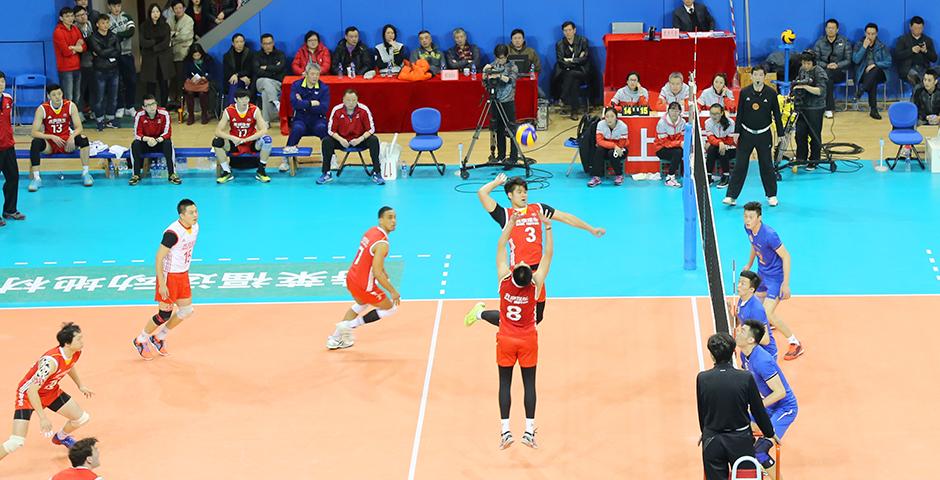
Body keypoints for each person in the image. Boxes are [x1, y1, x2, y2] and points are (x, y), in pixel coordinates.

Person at [468, 174, 605, 327]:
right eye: (519, 192)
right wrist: (496, 182)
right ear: (510, 195)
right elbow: (482, 193)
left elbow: (566, 217)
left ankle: (485, 316)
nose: (524, 194)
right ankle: (480, 314)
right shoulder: (504, 215)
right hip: (518, 273)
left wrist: (590, 229)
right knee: (513, 317)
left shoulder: (538, 209)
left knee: (537, 318)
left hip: (538, 273)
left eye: (525, 191)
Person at [468, 210, 553, 450]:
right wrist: (548, 228)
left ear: (515, 272)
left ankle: (505, 431)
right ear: (530, 277)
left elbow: (501, 245)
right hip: (527, 340)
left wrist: (510, 225)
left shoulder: (503, 279)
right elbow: (548, 255)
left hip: (505, 338)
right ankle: (528, 431)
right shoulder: (535, 287)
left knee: (504, 384)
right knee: (529, 385)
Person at [0, 323, 94, 463]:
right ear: (67, 344)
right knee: (16, 441)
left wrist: (80, 385)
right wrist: (43, 418)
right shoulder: (51, 362)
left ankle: (61, 437)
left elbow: (69, 366)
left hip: (50, 391)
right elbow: (32, 389)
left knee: (82, 418)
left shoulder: (75, 352)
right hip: (27, 395)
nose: (82, 342)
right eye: (79, 339)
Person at [696, 332, 777, 480]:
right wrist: (769, 433)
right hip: (740, 440)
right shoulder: (745, 377)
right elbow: (758, 410)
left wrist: (705, 433)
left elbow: (702, 411)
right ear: (733, 352)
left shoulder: (702, 378)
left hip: (713, 440)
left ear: (711, 354)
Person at [133, 199, 199, 359]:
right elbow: (159, 257)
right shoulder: (172, 233)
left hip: (183, 274)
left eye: (196, 211)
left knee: (187, 310)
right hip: (169, 277)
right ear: (181, 215)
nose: (195, 215)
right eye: (191, 212)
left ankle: (159, 337)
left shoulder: (195, 227)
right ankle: (141, 339)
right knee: (164, 315)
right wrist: (162, 284)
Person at [327, 206, 400, 349]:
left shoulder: (371, 231)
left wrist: (382, 269)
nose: (394, 221)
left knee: (361, 304)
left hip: (352, 277)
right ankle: (348, 325)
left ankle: (334, 339)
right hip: (363, 283)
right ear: (381, 220)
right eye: (389, 217)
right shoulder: (383, 244)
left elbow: (369, 255)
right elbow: (377, 273)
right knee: (390, 309)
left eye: (395, 217)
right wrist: (392, 291)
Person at [742, 201, 802, 360]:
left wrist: (786, 284)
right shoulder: (748, 229)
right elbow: (754, 246)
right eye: (745, 216)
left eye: (751, 217)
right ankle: (769, 324)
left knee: (767, 313)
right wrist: (749, 264)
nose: (747, 220)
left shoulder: (769, 234)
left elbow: (786, 256)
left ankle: (794, 342)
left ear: (759, 218)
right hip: (762, 274)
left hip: (775, 279)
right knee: (757, 306)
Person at [736, 320, 798, 476]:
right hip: (769, 406)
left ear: (751, 340)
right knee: (737, 424)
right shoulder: (745, 355)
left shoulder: (763, 361)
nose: (737, 331)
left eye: (742, 331)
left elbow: (780, 392)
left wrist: (756, 406)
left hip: (784, 408)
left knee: (760, 452)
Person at [724, 65, 782, 207]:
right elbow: (740, 114)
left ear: (764, 77)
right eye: (755, 75)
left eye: (760, 75)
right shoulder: (744, 92)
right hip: (746, 134)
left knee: (767, 165)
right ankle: (731, 196)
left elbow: (777, 114)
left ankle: (772, 195)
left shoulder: (771, 93)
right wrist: (737, 132)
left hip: (764, 135)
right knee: (740, 165)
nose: (757, 78)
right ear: (751, 76)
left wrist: (781, 133)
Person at [28, 84, 92, 191]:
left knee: (83, 139)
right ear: (49, 96)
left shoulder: (70, 105)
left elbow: (79, 127)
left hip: (67, 143)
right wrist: (51, 136)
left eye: (59, 94)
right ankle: (36, 178)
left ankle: (86, 173)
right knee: (35, 143)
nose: (58, 97)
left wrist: (72, 137)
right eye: (54, 95)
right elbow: (34, 132)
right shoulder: (43, 108)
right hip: (50, 145)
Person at [317, 89, 382, 185]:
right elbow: (331, 130)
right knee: (326, 141)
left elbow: (371, 129)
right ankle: (326, 173)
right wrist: (341, 140)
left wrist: (360, 139)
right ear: (343, 100)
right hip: (342, 140)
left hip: (359, 140)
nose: (351, 103)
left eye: (354, 100)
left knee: (374, 140)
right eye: (348, 100)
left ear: (357, 100)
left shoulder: (364, 110)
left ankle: (377, 172)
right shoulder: (337, 110)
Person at [213, 89, 272, 183]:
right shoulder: (229, 110)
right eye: (242, 99)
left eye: (247, 98)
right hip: (235, 142)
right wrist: (233, 138)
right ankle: (227, 172)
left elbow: (264, 129)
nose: (245, 101)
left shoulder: (254, 109)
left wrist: (246, 139)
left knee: (267, 140)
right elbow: (218, 131)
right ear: (236, 100)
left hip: (251, 142)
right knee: (217, 142)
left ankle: (261, 171)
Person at [283, 63, 329, 168]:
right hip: (300, 118)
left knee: (322, 128)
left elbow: (323, 108)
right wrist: (311, 103)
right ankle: (286, 159)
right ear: (306, 74)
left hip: (318, 119)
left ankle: (330, 157)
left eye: (317, 74)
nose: (315, 77)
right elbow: (294, 103)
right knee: (297, 128)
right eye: (312, 74)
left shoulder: (324, 88)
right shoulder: (296, 85)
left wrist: (303, 104)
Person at [483, 44, 521, 170]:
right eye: (499, 58)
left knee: (511, 129)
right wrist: (485, 73)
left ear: (507, 56)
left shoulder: (513, 67)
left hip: (508, 101)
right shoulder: (491, 66)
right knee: (498, 129)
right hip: (496, 101)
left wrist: (499, 76)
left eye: (503, 58)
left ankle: (514, 157)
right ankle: (501, 155)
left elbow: (511, 80)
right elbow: (485, 84)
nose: (501, 61)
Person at [129, 94, 177, 186]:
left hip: (160, 142)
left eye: (153, 104)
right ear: (143, 107)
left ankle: (172, 174)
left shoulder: (164, 113)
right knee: (135, 144)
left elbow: (168, 132)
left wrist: (157, 140)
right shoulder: (139, 115)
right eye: (148, 105)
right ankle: (136, 175)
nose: (152, 107)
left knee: (168, 143)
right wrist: (148, 139)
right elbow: (137, 134)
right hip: (146, 142)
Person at [792, 50, 827, 171]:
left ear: (813, 63)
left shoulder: (819, 72)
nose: (805, 66)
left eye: (808, 63)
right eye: (803, 63)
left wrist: (806, 87)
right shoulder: (802, 70)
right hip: (802, 107)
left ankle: (814, 160)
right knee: (800, 134)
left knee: (814, 135)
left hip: (816, 108)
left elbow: (820, 91)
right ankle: (801, 158)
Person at [730, 270, 777, 359]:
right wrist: (729, 312)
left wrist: (742, 339)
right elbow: (736, 323)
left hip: (765, 355)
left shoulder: (756, 310)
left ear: (751, 289)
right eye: (739, 282)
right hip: (750, 349)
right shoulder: (742, 299)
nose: (738, 285)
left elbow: (766, 340)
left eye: (743, 284)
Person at [813, 18, 853, 118]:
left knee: (826, 77)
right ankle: (829, 108)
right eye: (828, 28)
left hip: (839, 72)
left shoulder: (844, 42)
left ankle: (825, 107)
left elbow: (848, 60)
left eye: (833, 28)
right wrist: (826, 65)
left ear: (837, 30)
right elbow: (815, 60)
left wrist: (837, 65)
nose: (830, 30)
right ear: (826, 29)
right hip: (825, 71)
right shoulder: (819, 42)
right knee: (827, 79)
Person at [852, 23, 891, 120]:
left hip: (880, 73)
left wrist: (876, 64)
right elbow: (855, 60)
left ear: (876, 34)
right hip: (863, 74)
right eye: (868, 34)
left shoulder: (881, 46)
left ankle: (861, 91)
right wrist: (864, 47)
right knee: (872, 81)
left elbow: (888, 62)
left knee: (875, 70)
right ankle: (873, 110)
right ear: (865, 33)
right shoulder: (859, 44)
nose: (870, 36)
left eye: (873, 34)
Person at [89, 13, 121, 130]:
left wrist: (104, 52)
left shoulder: (114, 36)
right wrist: (108, 51)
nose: (105, 25)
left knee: (113, 96)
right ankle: (100, 119)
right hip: (100, 70)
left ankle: (111, 119)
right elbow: (100, 52)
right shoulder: (93, 38)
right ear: (97, 24)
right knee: (100, 97)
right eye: (103, 23)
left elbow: (118, 51)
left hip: (114, 70)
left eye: (107, 22)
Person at [138, 3, 173, 107]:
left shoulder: (165, 25)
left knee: (163, 84)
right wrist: (155, 41)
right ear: (150, 13)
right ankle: (151, 106)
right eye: (153, 12)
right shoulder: (144, 26)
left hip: (163, 59)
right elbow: (143, 42)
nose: (155, 14)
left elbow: (166, 42)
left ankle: (164, 106)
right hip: (149, 60)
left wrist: (153, 47)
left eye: (157, 11)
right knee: (150, 85)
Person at [553, 21, 590, 119]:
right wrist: (576, 60)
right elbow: (560, 61)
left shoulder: (583, 41)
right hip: (565, 72)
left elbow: (585, 59)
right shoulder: (559, 44)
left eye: (569, 30)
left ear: (574, 30)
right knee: (573, 80)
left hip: (582, 71)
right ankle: (574, 111)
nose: (568, 32)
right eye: (565, 31)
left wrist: (570, 60)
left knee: (572, 75)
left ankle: (563, 98)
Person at [0, 72, 24, 227]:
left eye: (2, 81)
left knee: (13, 177)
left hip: (8, 146)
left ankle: (9, 209)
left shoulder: (8, 98)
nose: (1, 84)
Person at [106, 0, 136, 118]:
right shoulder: (106, 18)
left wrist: (118, 36)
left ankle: (130, 106)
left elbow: (131, 31)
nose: (116, 8)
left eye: (118, 5)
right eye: (114, 6)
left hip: (127, 54)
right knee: (116, 82)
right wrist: (119, 36)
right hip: (114, 55)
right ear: (109, 6)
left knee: (131, 81)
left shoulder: (126, 16)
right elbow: (108, 35)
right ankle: (119, 107)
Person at [588, 107, 627, 187]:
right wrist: (613, 145)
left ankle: (619, 175)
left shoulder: (623, 126)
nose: (609, 119)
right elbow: (599, 141)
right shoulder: (600, 124)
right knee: (599, 150)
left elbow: (621, 144)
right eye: (607, 116)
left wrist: (615, 147)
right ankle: (596, 177)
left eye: (612, 116)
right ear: (604, 117)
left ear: (616, 117)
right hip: (608, 148)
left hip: (621, 149)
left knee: (612, 153)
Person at [53, 7, 85, 108]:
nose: (70, 18)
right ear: (61, 18)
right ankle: (67, 120)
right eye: (67, 16)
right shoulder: (58, 32)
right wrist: (77, 47)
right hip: (65, 69)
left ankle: (74, 117)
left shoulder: (75, 28)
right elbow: (66, 52)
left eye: (72, 16)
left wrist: (73, 47)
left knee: (77, 96)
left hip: (77, 66)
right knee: (68, 96)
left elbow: (84, 46)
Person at [253, 33, 287, 123]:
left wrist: (266, 68)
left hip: (277, 83)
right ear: (261, 44)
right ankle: (275, 102)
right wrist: (274, 70)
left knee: (265, 93)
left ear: (273, 43)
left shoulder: (280, 54)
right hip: (261, 82)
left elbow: (281, 68)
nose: (268, 46)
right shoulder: (256, 55)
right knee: (266, 82)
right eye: (265, 44)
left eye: (270, 43)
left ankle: (266, 121)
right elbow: (257, 71)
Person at [895, 16, 937, 87]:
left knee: (931, 78)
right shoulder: (903, 39)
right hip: (908, 69)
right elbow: (897, 56)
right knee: (919, 80)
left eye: (920, 28)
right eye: (915, 28)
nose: (918, 30)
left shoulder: (927, 40)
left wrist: (926, 51)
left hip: (924, 68)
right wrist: (911, 50)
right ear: (910, 27)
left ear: (923, 28)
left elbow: (934, 59)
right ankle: (919, 96)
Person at [167, 0, 194, 108]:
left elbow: (184, 36)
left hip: (183, 53)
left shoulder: (189, 20)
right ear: (173, 9)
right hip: (171, 54)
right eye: (176, 8)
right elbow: (166, 34)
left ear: (183, 8)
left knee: (180, 78)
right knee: (171, 78)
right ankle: (172, 100)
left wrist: (173, 35)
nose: (178, 10)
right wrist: (175, 33)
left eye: (180, 8)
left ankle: (181, 102)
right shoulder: (169, 19)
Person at [704, 103, 736, 188]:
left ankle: (726, 176)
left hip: (731, 148)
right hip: (716, 148)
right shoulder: (708, 122)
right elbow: (710, 138)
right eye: (712, 114)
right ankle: (708, 175)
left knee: (720, 149)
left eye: (716, 114)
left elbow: (730, 141)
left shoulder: (730, 123)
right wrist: (720, 142)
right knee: (712, 148)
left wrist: (718, 142)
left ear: (722, 113)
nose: (714, 116)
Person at [655, 102, 686, 188]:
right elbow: (665, 143)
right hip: (661, 149)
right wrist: (679, 143)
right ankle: (670, 178)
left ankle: (686, 174)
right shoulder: (662, 123)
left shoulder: (682, 122)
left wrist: (681, 143)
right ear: (668, 111)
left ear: (680, 112)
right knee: (678, 152)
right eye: (672, 110)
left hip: (675, 148)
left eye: (677, 110)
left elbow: (683, 137)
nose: (674, 112)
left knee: (681, 151)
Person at [182, 43, 214, 125]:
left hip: (203, 83)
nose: (197, 57)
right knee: (189, 93)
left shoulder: (208, 59)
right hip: (192, 84)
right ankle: (191, 115)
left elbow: (212, 73)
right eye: (195, 55)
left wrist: (205, 77)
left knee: (202, 93)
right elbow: (185, 74)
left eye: (198, 55)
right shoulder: (187, 61)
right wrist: (190, 78)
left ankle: (204, 114)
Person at [222, 33, 254, 106]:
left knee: (236, 82)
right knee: (234, 82)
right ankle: (232, 109)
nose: (239, 44)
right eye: (237, 42)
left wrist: (237, 75)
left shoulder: (250, 54)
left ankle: (233, 108)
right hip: (232, 80)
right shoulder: (227, 56)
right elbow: (227, 72)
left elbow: (250, 69)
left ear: (244, 42)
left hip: (247, 80)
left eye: (241, 41)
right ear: (233, 43)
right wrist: (237, 76)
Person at [74, 6, 95, 117]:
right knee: (80, 89)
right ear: (75, 18)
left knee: (93, 88)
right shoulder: (74, 29)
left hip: (92, 61)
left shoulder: (90, 24)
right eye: (79, 15)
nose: (83, 17)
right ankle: (80, 112)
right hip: (80, 63)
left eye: (84, 14)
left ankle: (93, 110)